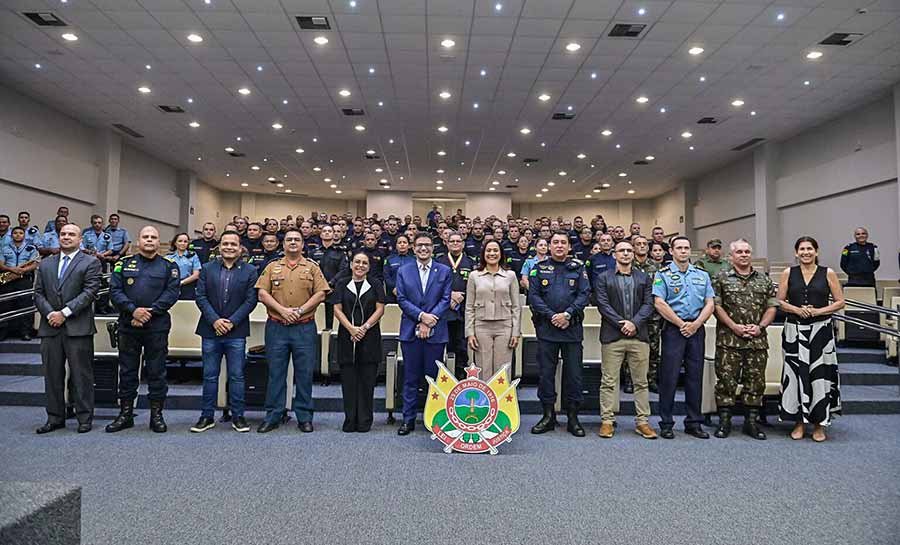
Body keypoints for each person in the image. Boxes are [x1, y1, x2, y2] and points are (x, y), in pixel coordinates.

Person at [255, 230, 331, 433]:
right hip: (276, 327)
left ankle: (304, 417)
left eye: (297, 239)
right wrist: (282, 311)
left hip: (304, 327)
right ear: (283, 244)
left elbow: (321, 294)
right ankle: (273, 415)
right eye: (289, 240)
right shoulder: (272, 267)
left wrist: (298, 312)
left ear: (303, 244)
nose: (293, 243)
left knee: (305, 375)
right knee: (275, 374)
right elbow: (262, 293)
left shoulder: (312, 267)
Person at [106, 226, 180, 433]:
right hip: (129, 326)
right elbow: (115, 291)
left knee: (157, 372)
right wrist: (133, 311)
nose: (149, 240)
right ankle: (125, 414)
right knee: (127, 371)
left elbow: (172, 293)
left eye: (153, 237)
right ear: (138, 241)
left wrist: (149, 313)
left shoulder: (169, 266)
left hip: (156, 327)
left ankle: (156, 416)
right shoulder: (123, 264)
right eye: (145, 237)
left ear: (159, 242)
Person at [33, 223, 102, 434]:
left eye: (71, 234)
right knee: (52, 375)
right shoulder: (46, 264)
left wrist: (63, 313)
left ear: (80, 239)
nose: (66, 237)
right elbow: (38, 294)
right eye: (63, 234)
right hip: (50, 327)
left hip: (77, 327)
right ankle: (55, 417)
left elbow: (90, 292)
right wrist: (50, 314)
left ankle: (84, 417)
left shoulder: (91, 262)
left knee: (82, 375)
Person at [777, 236, 844, 442]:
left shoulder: (828, 273)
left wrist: (819, 311)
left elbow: (840, 302)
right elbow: (778, 301)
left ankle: (819, 424)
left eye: (810, 249)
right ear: (796, 253)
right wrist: (796, 309)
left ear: (816, 251)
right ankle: (799, 422)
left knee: (819, 375)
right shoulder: (789, 273)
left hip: (820, 332)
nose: (806, 252)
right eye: (802, 249)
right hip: (794, 331)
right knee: (796, 375)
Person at [191, 231, 259, 434]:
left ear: (240, 248)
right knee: (210, 376)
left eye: (233, 244)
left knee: (237, 376)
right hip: (210, 330)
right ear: (219, 247)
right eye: (225, 244)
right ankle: (206, 416)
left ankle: (238, 416)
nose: (229, 247)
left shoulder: (250, 271)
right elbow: (200, 297)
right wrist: (216, 321)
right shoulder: (206, 269)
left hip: (236, 331)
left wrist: (231, 322)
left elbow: (251, 300)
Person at [711, 239, 778, 440]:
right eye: (739, 252)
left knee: (755, 382)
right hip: (729, 340)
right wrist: (734, 327)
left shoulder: (764, 280)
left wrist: (760, 327)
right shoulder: (721, 277)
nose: (743, 255)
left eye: (747, 251)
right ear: (731, 256)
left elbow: (772, 307)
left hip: (756, 341)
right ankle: (724, 422)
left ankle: (751, 422)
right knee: (726, 382)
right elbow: (716, 306)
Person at [527, 231, 591, 437]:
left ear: (569, 247)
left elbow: (584, 294)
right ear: (549, 246)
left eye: (563, 242)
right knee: (546, 375)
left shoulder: (578, 268)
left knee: (574, 375)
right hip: (547, 330)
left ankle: (573, 417)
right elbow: (533, 296)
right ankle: (548, 416)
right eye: (555, 242)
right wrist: (553, 316)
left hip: (571, 330)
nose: (559, 246)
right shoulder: (538, 269)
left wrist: (568, 314)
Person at [652, 236, 716, 439]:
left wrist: (696, 324)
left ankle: (693, 422)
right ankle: (666, 423)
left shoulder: (702, 275)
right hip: (673, 329)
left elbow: (710, 303)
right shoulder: (662, 274)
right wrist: (681, 325)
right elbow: (659, 303)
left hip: (696, 329)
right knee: (669, 377)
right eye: (679, 247)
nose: (683, 251)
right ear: (671, 251)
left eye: (686, 247)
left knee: (695, 377)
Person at [594, 241, 657, 439]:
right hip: (613, 336)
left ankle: (642, 422)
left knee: (641, 382)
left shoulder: (644, 278)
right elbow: (603, 305)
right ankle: (607, 420)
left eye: (629, 250)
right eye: (622, 250)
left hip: (639, 336)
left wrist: (634, 323)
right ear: (614, 255)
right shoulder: (604, 277)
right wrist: (622, 324)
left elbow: (649, 304)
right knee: (609, 381)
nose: (626, 253)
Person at [394, 233, 452, 436]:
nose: (423, 249)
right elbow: (401, 299)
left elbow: (446, 299)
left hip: (436, 332)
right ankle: (408, 420)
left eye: (427, 245)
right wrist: (421, 317)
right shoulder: (403, 270)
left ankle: (433, 420)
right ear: (413, 248)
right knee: (410, 378)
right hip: (411, 331)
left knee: (433, 379)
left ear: (433, 248)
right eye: (419, 245)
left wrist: (430, 319)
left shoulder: (444, 270)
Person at [333, 251, 386, 433]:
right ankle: (349, 420)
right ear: (351, 264)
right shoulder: (341, 283)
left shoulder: (376, 284)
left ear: (369, 267)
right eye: (357, 262)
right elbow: (337, 309)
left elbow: (380, 308)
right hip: (347, 337)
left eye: (364, 263)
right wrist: (351, 329)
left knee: (367, 381)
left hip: (369, 337)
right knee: (348, 381)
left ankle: (364, 421)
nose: (360, 265)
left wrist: (364, 327)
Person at [465, 240, 521, 378]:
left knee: (502, 371)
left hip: (505, 327)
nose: (492, 253)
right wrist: (470, 333)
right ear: (483, 254)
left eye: (495, 250)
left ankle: (501, 399)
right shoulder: (474, 276)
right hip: (481, 327)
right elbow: (469, 307)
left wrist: (516, 332)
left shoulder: (511, 276)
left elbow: (516, 307)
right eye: (488, 250)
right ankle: (485, 400)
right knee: (484, 369)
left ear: (501, 254)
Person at [436, 232, 475, 376]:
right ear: (446, 243)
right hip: (443, 310)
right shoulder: (439, 262)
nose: (455, 243)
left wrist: (461, 296)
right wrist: (450, 295)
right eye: (451, 241)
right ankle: (443, 377)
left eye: (458, 241)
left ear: (463, 244)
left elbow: (475, 284)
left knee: (461, 346)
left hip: (463, 311)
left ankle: (461, 378)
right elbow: (434, 285)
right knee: (442, 346)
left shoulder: (470, 262)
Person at [631, 235, 661, 392]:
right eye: (638, 244)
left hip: (653, 316)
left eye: (644, 244)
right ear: (633, 247)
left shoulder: (657, 268)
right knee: (630, 348)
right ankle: (631, 380)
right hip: (633, 315)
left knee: (653, 348)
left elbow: (660, 291)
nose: (642, 246)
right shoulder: (627, 266)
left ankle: (651, 378)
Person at [0, 226, 41, 340]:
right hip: (7, 278)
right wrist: (11, 270)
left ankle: (25, 332)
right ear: (11, 235)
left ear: (24, 235)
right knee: (5, 305)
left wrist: (23, 270)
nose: (18, 235)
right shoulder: (4, 248)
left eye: (21, 233)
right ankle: (3, 331)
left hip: (24, 279)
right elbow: (1, 263)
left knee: (25, 305)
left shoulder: (31, 248)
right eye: (15, 233)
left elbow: (35, 263)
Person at [307, 224, 345, 329]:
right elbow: (310, 270)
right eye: (324, 231)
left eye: (330, 231)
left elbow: (343, 271)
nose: (327, 233)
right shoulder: (313, 252)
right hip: (316, 291)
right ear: (320, 234)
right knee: (316, 321)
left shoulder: (341, 253)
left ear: (334, 234)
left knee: (332, 322)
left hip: (333, 291)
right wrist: (320, 286)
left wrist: (331, 284)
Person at [167, 233, 202, 300]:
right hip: (171, 287)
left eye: (185, 241)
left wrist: (181, 282)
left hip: (188, 287)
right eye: (180, 241)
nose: (183, 243)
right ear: (175, 243)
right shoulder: (168, 257)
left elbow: (196, 275)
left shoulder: (193, 256)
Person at [384, 234, 415, 304]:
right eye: (399, 243)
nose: (402, 244)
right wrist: (394, 288)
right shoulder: (389, 259)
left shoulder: (414, 260)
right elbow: (387, 276)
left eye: (404, 242)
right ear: (396, 245)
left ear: (409, 245)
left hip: (410, 294)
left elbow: (415, 277)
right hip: (392, 294)